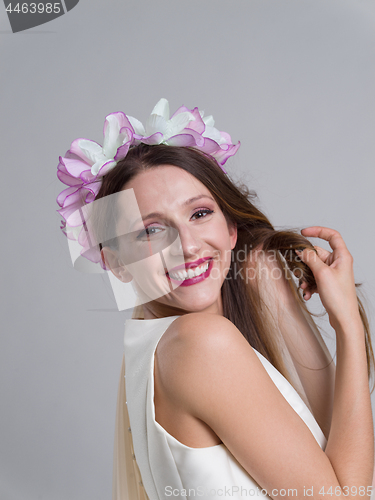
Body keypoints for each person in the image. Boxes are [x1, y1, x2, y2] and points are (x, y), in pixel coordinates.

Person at [57, 99, 375, 500]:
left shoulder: (161, 345)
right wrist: (346, 321)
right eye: (151, 231)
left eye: (200, 214)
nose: (187, 246)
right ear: (116, 264)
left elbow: (334, 449)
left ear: (231, 229)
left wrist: (267, 279)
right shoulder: (201, 343)